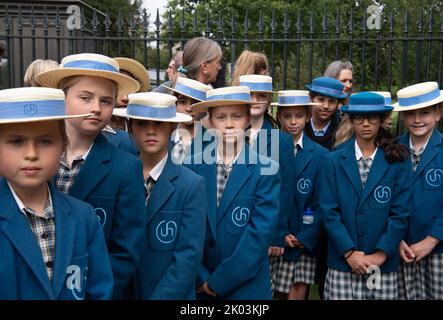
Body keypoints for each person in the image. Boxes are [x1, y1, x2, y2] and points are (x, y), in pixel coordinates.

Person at [36, 53, 147, 299]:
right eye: (85, 98)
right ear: (63, 98)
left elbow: (126, 251)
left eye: (106, 101)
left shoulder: (125, 167)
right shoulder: (33, 156)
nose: (96, 107)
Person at [0, 87, 113, 299]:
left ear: (63, 146)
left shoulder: (84, 217)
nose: (31, 154)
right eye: (16, 141)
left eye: (45, 141)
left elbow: (100, 289)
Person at [186, 86, 281, 299]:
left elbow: (259, 235)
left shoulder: (265, 169)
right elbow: (187, 229)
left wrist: (220, 282)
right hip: (200, 284)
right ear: (210, 122)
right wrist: (201, 277)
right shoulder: (192, 165)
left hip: (245, 287)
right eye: (221, 117)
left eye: (236, 116)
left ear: (248, 119)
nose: (229, 124)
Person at [319, 92, 412, 300]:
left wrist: (381, 254)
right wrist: (349, 252)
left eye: (372, 117)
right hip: (343, 263)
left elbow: (400, 212)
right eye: (360, 117)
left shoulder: (398, 160)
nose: (366, 123)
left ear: (381, 120)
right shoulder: (333, 160)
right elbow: (328, 212)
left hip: (382, 264)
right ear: (351, 120)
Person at [114, 92, 207, 299]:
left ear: (172, 126)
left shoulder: (191, 185)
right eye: (141, 123)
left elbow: (188, 258)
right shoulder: (117, 178)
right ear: (130, 127)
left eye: (159, 123)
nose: (151, 131)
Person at [238, 74, 295, 296]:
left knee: (261, 288)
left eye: (261, 96)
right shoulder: (227, 134)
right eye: (250, 95)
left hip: (265, 228)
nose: (255, 100)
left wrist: (278, 233)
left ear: (269, 101)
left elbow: (286, 190)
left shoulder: (281, 141)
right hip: (234, 224)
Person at [394, 81, 443, 300]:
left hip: (440, 249)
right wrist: (396, 239)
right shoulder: (393, 150)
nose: (417, 120)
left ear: (438, 113)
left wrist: (432, 240)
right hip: (401, 247)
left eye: (424, 113)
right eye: (410, 113)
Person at [273, 90, 327, 300]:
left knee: (298, 288)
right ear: (279, 117)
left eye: (299, 116)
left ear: (308, 117)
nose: (293, 122)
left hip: (302, 237)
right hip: (276, 236)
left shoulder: (321, 156)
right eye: (287, 116)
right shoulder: (268, 150)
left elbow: (322, 201)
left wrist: (304, 236)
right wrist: (279, 234)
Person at [163, 76, 212, 163]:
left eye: (195, 103)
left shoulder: (212, 142)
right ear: (175, 104)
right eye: (182, 102)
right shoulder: (163, 136)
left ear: (203, 109)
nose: (189, 108)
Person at [305, 77, 348, 151]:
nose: (326, 106)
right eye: (321, 99)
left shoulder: (343, 128)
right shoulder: (300, 125)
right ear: (311, 99)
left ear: (338, 104)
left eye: (331, 101)